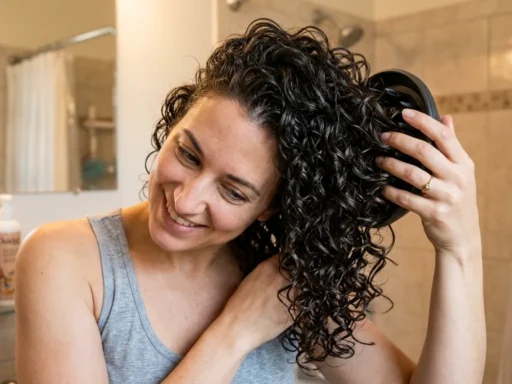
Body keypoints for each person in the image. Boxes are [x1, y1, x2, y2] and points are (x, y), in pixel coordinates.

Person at [14, 20, 486, 384]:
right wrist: (235, 331)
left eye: (233, 190)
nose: (186, 197)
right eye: (187, 153)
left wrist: (460, 247)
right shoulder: (66, 259)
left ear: (271, 207)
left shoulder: (285, 277)